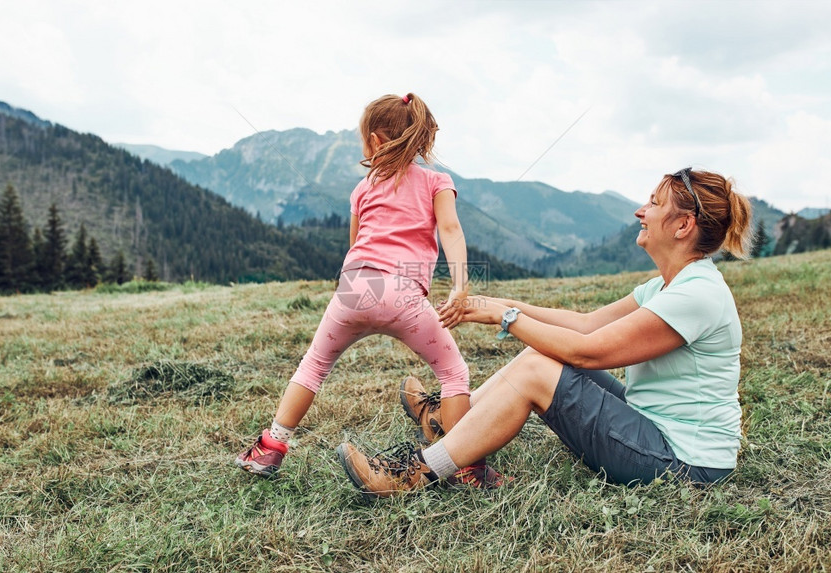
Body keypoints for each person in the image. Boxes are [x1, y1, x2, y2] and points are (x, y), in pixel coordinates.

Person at [337, 167, 753, 497]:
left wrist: (508, 320)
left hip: (685, 463)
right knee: (540, 357)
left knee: (539, 370)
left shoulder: (696, 294)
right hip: (655, 426)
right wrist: (496, 305)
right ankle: (447, 426)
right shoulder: (667, 285)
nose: (640, 211)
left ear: (683, 226)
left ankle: (417, 473)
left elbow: (587, 352)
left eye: (653, 203)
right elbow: (586, 323)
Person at [235, 92, 503, 486]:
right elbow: (450, 229)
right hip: (404, 295)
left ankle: (271, 447)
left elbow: (355, 243)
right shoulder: (436, 182)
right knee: (453, 373)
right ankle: (467, 466)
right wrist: (460, 285)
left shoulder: (362, 189)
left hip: (352, 289)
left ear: (376, 141)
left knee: (313, 365)